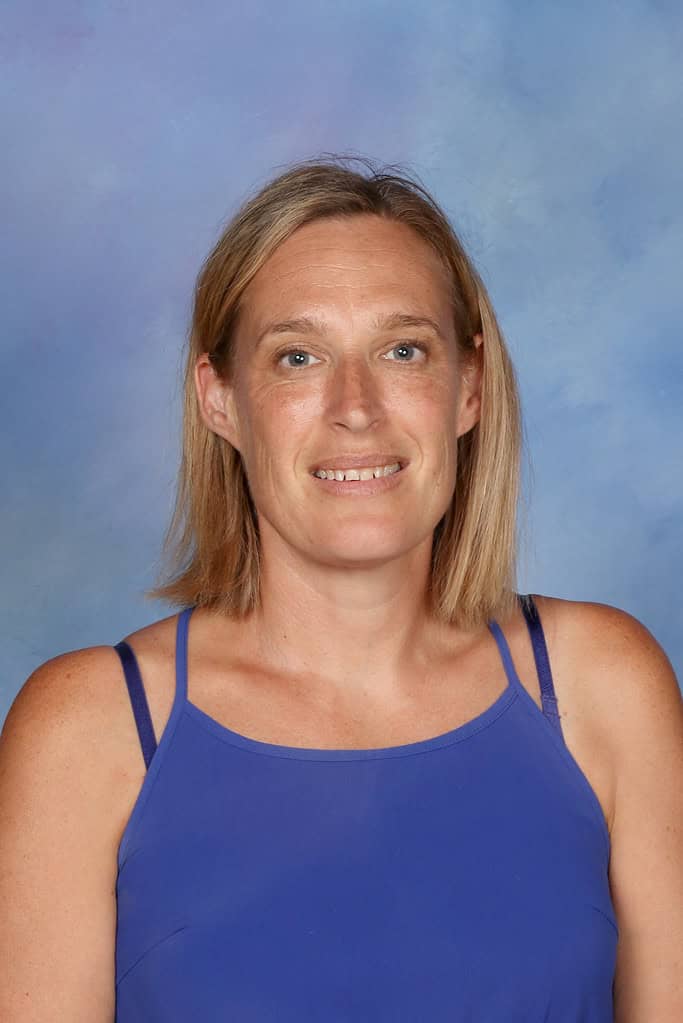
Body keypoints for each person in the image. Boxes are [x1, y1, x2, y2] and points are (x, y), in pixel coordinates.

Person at [1, 156, 681, 1022]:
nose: (355, 406)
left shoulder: (602, 687)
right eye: (297, 356)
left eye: (402, 350)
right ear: (220, 399)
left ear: (468, 388)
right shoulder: (89, 728)